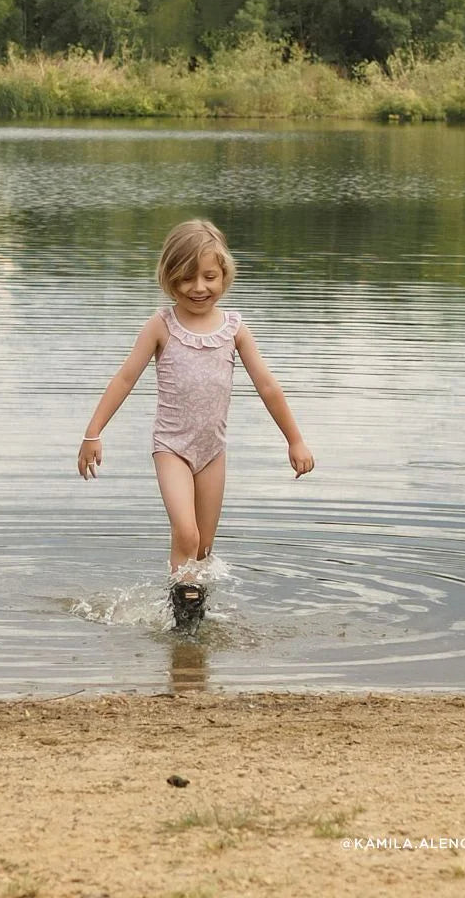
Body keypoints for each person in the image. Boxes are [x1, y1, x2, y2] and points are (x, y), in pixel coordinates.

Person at [77, 218, 315, 627]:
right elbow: (124, 378)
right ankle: (184, 632)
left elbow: (267, 386)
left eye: (209, 276)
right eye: (187, 278)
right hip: (171, 448)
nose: (199, 287)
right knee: (185, 534)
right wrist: (92, 433)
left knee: (203, 547)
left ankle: (188, 624)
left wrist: (295, 440)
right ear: (169, 278)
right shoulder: (161, 326)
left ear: (225, 275)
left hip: (212, 452)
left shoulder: (234, 329)